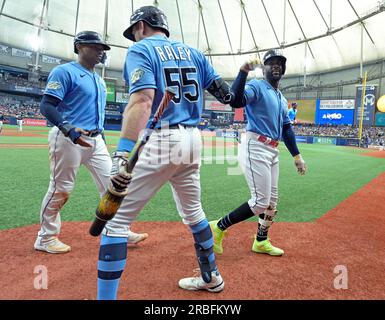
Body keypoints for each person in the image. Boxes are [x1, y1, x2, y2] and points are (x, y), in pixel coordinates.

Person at [96, 5, 242, 299]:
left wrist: (122, 154)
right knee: (194, 213)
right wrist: (243, 75)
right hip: (193, 140)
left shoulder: (141, 50)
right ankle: (211, 278)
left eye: (133, 32)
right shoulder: (195, 53)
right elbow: (228, 97)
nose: (134, 38)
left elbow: (141, 101)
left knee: (115, 221)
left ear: (141, 26)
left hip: (162, 139)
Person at [34, 31, 148, 254]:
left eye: (102, 49)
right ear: (79, 46)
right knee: (61, 188)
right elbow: (46, 106)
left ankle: (118, 230)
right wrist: (67, 128)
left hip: (95, 140)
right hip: (68, 138)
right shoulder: (64, 71)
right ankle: (45, 238)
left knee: (112, 185)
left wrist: (102, 141)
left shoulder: (99, 80)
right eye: (95, 47)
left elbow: (98, 116)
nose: (100, 52)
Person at [209, 49, 307, 257]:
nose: (276, 65)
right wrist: (243, 71)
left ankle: (261, 241)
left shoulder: (281, 98)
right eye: (271, 62)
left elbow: (286, 128)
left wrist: (297, 156)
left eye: (280, 62)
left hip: (272, 150)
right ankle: (218, 226)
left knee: (272, 202)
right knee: (260, 201)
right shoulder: (257, 86)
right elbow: (236, 101)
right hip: (255, 145)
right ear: (264, 68)